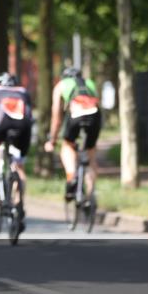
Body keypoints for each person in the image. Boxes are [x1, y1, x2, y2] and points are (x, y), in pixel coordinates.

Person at [44, 67, 102, 202]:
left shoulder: (61, 85)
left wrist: (52, 139)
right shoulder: (89, 83)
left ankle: (72, 177)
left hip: (76, 115)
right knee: (91, 154)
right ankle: (90, 196)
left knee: (67, 146)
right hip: (95, 116)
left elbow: (56, 116)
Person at [0, 72, 33, 230]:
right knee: (18, 166)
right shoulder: (23, 91)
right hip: (23, 127)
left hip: (2, 121)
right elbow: (29, 113)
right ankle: (18, 206)